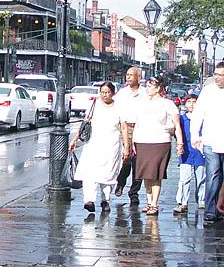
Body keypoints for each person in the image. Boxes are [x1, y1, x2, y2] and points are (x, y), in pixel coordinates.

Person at [69, 82, 130, 213]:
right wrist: (75, 139)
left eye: (107, 92)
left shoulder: (120, 107)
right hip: (93, 143)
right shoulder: (94, 104)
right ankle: (89, 200)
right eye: (102, 92)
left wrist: (126, 146)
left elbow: (124, 127)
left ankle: (105, 200)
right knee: (90, 172)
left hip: (112, 144)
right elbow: (85, 123)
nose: (105, 95)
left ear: (113, 93)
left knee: (108, 173)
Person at [131, 76, 183, 216]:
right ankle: (148, 201)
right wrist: (133, 141)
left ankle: (155, 203)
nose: (147, 88)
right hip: (142, 141)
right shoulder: (141, 103)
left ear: (158, 88)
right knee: (145, 174)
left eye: (150, 86)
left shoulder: (167, 104)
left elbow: (177, 125)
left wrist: (180, 142)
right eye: (146, 85)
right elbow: (137, 123)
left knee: (155, 173)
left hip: (160, 142)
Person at [193, 62, 224, 225]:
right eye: (216, 74)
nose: (217, 78)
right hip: (211, 139)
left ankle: (220, 207)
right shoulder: (208, 91)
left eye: (220, 75)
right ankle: (210, 211)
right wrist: (195, 134)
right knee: (213, 173)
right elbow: (198, 114)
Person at [113, 67, 146, 206]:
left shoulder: (145, 93)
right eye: (127, 75)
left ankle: (134, 192)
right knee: (126, 159)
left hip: (141, 128)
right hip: (125, 128)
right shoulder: (122, 94)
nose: (128, 77)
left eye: (131, 75)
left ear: (138, 77)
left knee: (139, 163)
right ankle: (121, 182)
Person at [173, 94, 205, 214]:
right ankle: (182, 202)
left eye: (194, 101)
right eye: (189, 101)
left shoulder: (203, 118)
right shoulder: (182, 118)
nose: (192, 104)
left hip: (200, 151)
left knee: (201, 178)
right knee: (184, 178)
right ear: (185, 103)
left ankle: (202, 200)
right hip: (186, 151)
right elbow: (177, 132)